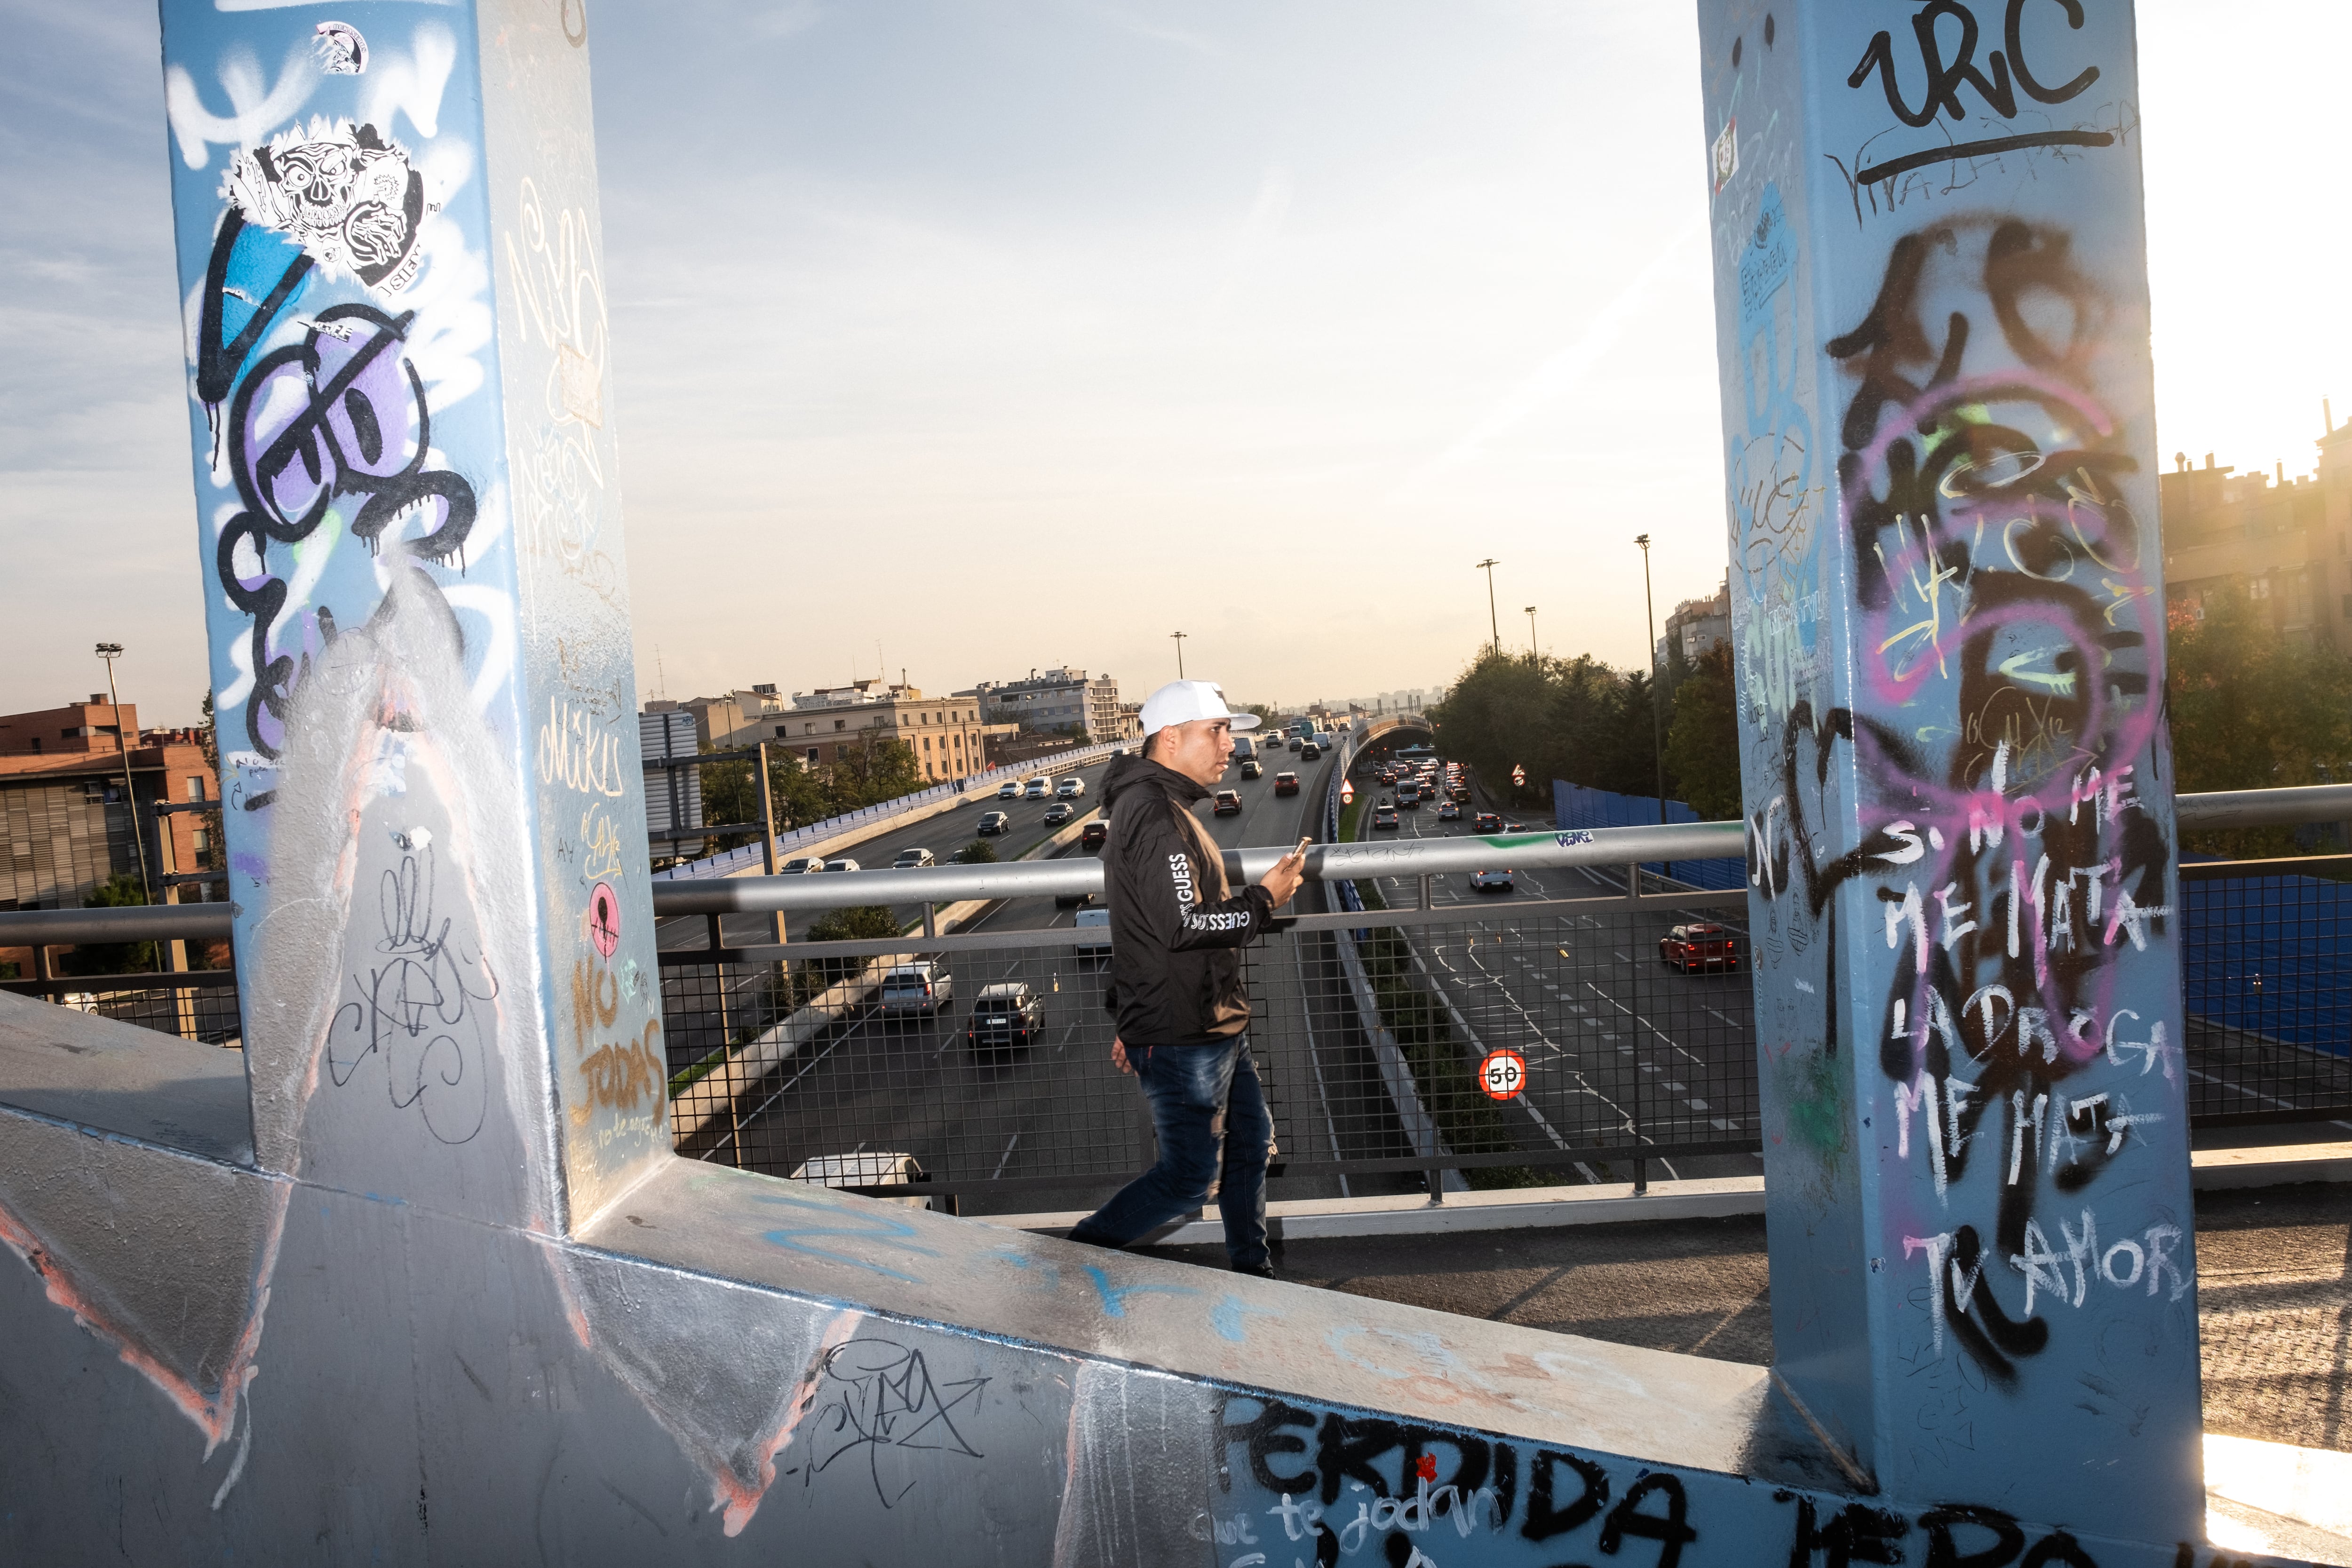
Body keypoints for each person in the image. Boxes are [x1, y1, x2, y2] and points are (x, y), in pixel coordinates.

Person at [1066, 681, 1305, 1278]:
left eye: (1230, 731)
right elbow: (1184, 925)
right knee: (1188, 1177)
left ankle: (1253, 1274)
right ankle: (1070, 1259)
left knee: (1251, 1143)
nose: (1231, 746)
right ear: (1170, 739)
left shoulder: (1158, 805)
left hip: (1209, 1019)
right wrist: (1263, 900)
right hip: (1186, 1031)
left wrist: (1127, 1015)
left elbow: (1135, 925)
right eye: (1216, 731)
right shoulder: (1153, 814)